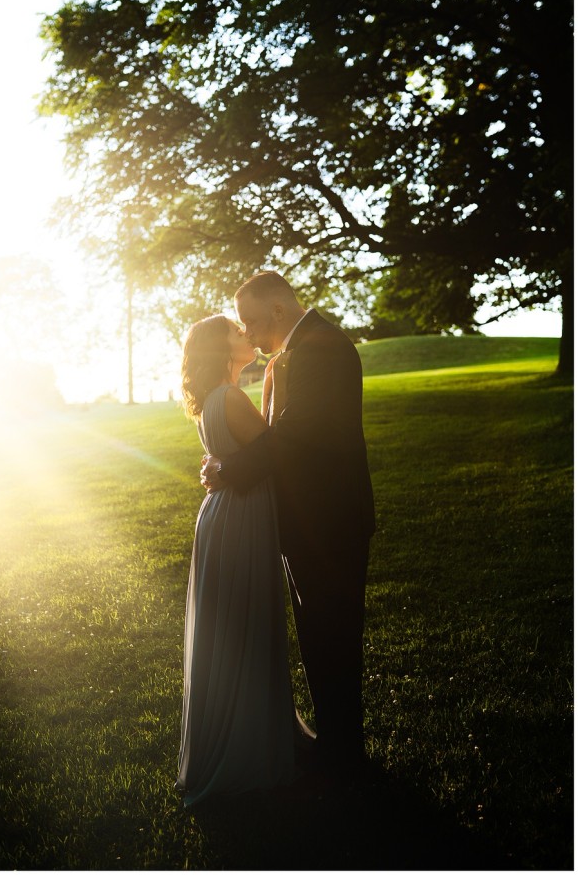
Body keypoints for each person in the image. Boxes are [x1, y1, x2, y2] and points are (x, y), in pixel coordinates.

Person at [201, 271, 375, 780]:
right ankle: (336, 744)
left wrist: (230, 471)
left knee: (335, 636)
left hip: (331, 520)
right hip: (307, 522)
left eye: (252, 320)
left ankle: (345, 755)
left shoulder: (322, 347)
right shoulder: (295, 352)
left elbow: (295, 434)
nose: (249, 332)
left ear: (278, 310)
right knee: (319, 636)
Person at [175, 314, 300, 806]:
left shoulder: (214, 398)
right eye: (234, 330)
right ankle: (247, 751)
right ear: (220, 348)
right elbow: (277, 450)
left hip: (225, 513)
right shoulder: (229, 397)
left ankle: (241, 737)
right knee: (246, 626)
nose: (244, 333)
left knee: (234, 628)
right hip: (239, 515)